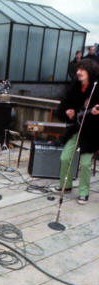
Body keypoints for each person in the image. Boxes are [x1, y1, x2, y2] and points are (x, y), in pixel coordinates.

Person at [56, 58, 99, 204]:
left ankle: (84, 192)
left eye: (82, 69)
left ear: (90, 72)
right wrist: (67, 112)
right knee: (65, 157)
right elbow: (63, 107)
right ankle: (65, 186)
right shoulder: (74, 87)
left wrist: (95, 113)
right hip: (76, 128)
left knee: (86, 163)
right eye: (78, 69)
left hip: (92, 132)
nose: (78, 72)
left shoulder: (97, 88)